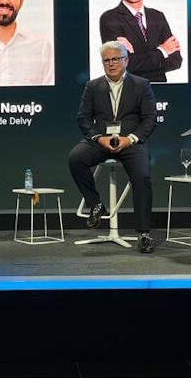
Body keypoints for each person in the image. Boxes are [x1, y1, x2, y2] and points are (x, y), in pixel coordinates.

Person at [67, 41, 158, 253]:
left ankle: (144, 234)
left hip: (131, 141)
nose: (111, 64)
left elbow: (150, 119)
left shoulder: (141, 84)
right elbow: (83, 119)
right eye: (106, 60)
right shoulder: (93, 86)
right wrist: (99, 138)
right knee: (76, 158)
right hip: (102, 140)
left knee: (142, 177)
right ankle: (95, 204)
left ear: (126, 60)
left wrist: (131, 139)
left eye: (115, 59)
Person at [98, 0, 183, 83]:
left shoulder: (157, 17)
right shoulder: (110, 19)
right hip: (129, 91)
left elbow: (176, 61)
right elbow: (120, 66)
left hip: (160, 89)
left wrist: (135, 60)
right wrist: (162, 51)